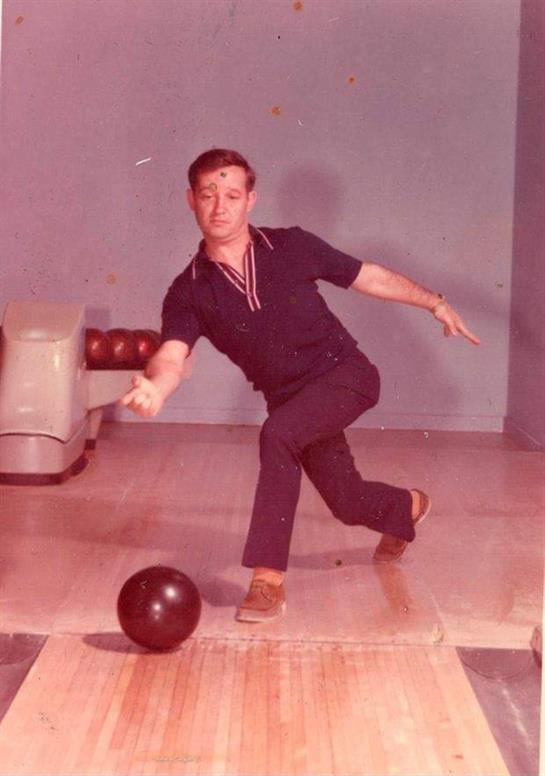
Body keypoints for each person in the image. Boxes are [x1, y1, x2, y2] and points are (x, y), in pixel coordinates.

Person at [120, 148, 480, 623]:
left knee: (278, 435)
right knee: (346, 501)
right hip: (292, 401)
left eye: (232, 195)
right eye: (208, 195)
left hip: (346, 375)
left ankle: (267, 580)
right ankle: (407, 507)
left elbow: (366, 276)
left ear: (250, 200)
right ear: (191, 200)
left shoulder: (291, 245)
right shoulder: (188, 290)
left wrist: (434, 302)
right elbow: (172, 354)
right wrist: (158, 388)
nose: (220, 207)